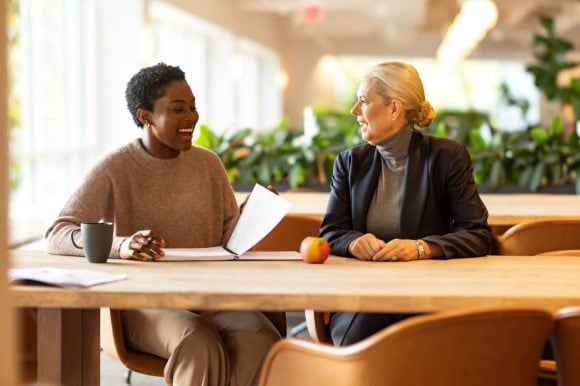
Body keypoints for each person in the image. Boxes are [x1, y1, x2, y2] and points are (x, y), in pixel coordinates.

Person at [44, 63, 280, 386]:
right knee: (197, 341)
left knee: (261, 339)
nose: (191, 117)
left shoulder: (209, 164)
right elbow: (57, 233)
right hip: (143, 305)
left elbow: (229, 243)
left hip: (210, 297)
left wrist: (252, 216)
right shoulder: (115, 167)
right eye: (178, 109)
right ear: (146, 116)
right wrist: (121, 246)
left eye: (193, 107)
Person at [319, 61, 493, 346]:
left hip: (427, 296)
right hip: (364, 296)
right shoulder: (350, 162)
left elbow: (477, 235)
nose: (354, 111)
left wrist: (420, 248)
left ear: (394, 108)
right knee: (361, 333)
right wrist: (353, 242)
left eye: (363, 101)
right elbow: (330, 231)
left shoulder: (447, 157)